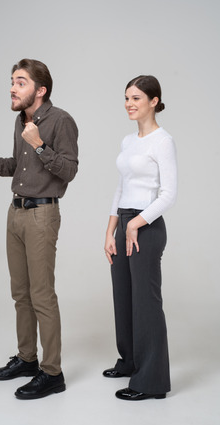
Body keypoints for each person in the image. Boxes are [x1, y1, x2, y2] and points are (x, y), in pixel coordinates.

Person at [0, 59, 78, 400]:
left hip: (42, 216)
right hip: (15, 213)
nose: (13, 88)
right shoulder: (21, 122)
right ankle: (28, 359)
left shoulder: (61, 121)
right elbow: (18, 166)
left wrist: (41, 144)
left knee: (42, 295)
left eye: (20, 82)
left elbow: (69, 171)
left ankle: (52, 372)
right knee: (21, 294)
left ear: (40, 90)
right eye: (12, 81)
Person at [103, 75, 177, 401]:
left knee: (146, 304)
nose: (129, 104)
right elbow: (121, 187)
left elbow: (169, 194)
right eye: (126, 98)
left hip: (147, 226)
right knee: (124, 296)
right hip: (124, 222)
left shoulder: (163, 141)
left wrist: (136, 224)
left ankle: (151, 381)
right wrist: (112, 230)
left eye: (136, 98)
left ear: (154, 101)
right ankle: (130, 360)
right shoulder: (127, 141)